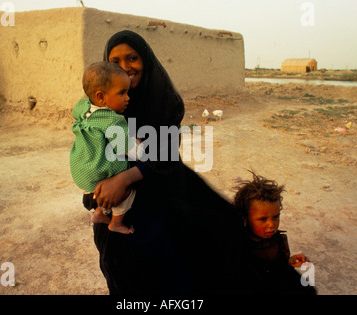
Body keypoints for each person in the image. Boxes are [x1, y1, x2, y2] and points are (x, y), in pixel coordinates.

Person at [88, 30, 246, 295]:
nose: (125, 67)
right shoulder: (103, 108)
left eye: (132, 58)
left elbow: (166, 155)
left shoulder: (164, 101)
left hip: (161, 191)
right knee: (126, 276)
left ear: (146, 60)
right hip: (119, 207)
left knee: (207, 241)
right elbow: (91, 152)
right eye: (115, 62)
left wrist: (124, 179)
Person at [70, 61, 141, 235]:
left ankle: (100, 212)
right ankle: (116, 222)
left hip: (81, 169)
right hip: (98, 171)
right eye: (122, 93)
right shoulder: (111, 119)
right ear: (101, 97)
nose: (127, 98)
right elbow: (128, 148)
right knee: (128, 189)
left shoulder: (84, 107)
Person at [233, 171, 317, 294]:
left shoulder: (276, 241)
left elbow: (277, 268)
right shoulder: (238, 246)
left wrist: (290, 262)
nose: (271, 225)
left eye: (275, 217)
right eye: (263, 219)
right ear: (245, 218)